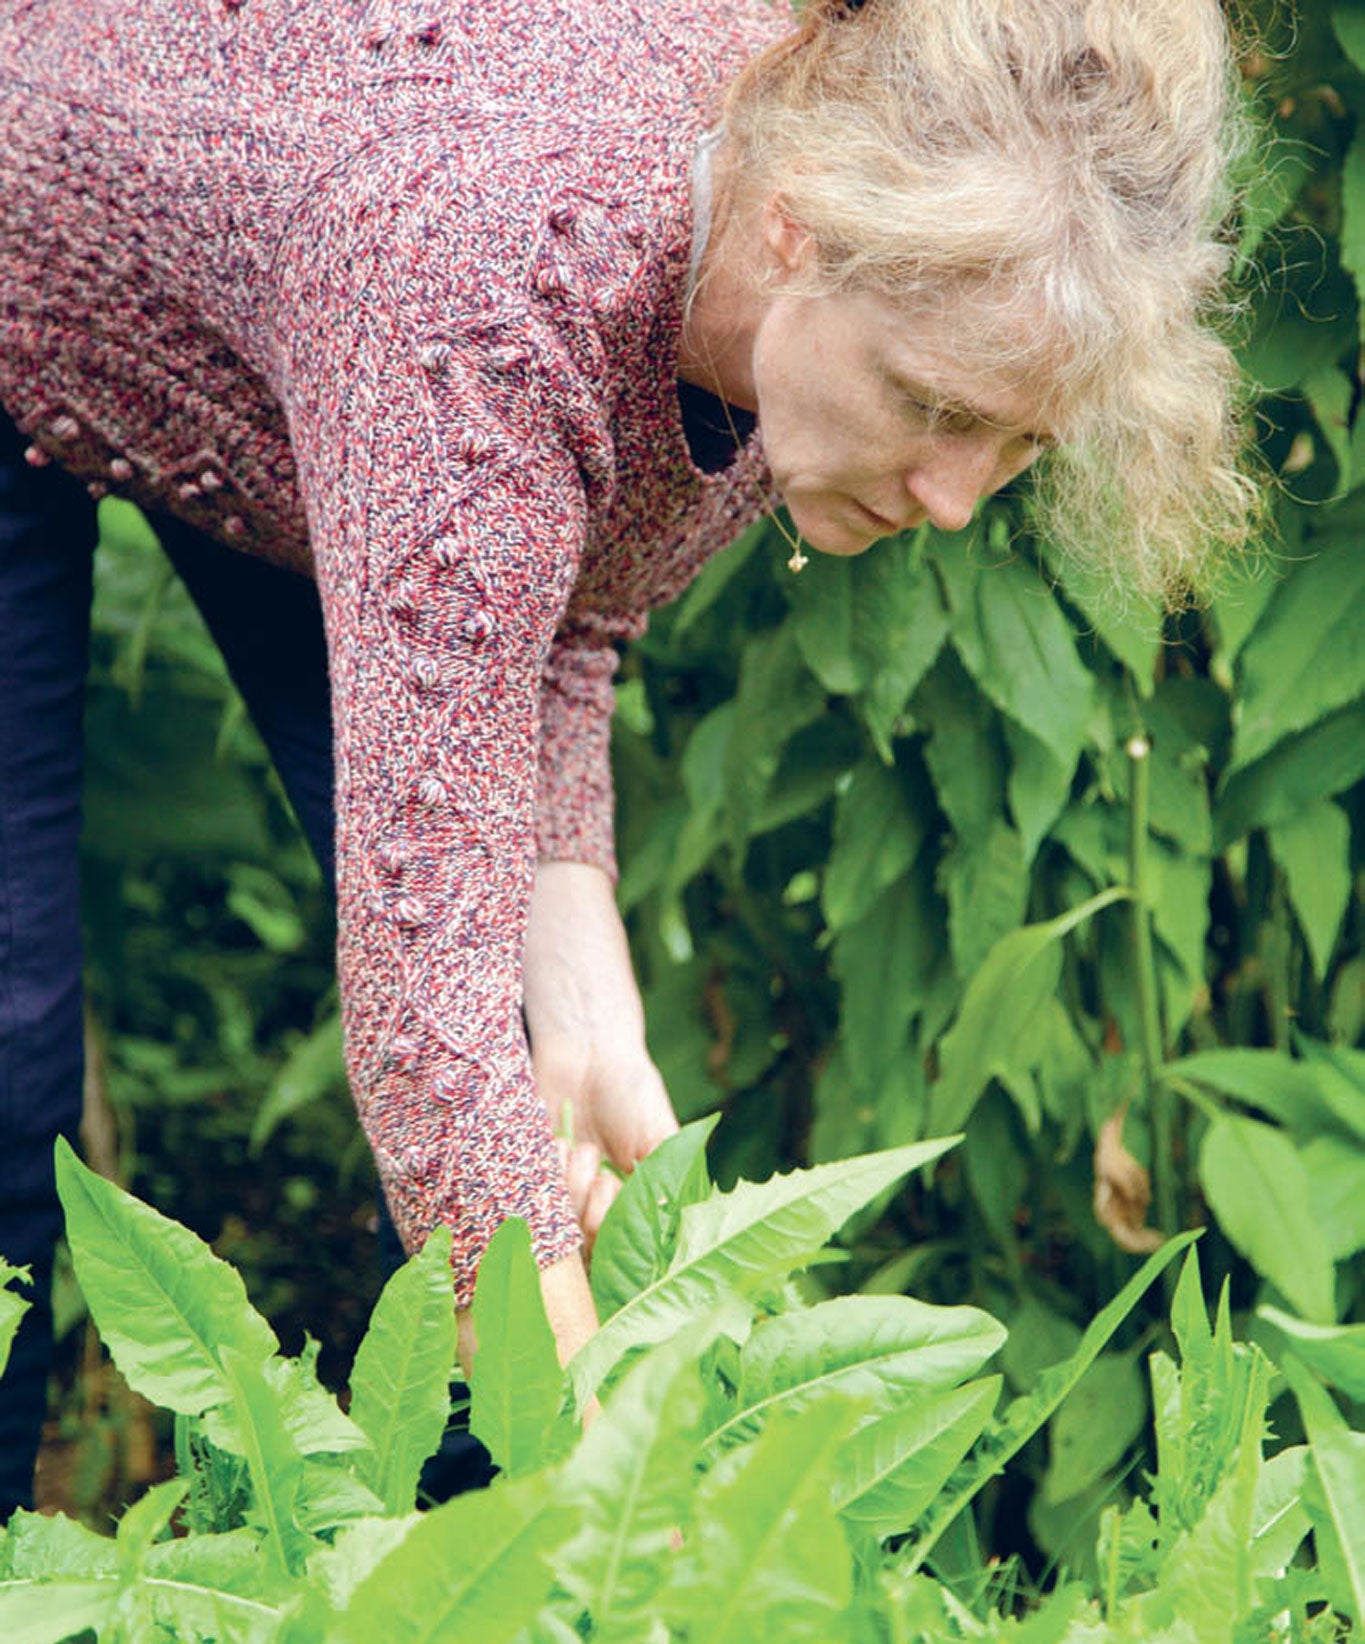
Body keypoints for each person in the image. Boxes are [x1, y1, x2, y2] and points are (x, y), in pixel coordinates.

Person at [0, 0, 1254, 1517]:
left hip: (338, 326)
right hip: (54, 219)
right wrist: (615, 1486)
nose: (951, 499)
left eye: (1019, 446)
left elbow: (559, 602)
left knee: (528, 1071)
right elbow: (422, 979)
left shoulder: (806, 244)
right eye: (934, 412)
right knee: (16, 1047)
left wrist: (588, 1017)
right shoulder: (488, 299)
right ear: (790, 236)